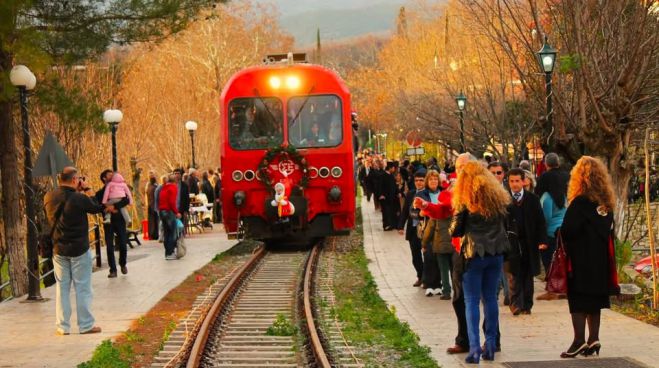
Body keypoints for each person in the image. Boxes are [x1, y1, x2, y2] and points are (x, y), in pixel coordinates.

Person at [449, 161, 510, 364]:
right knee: (491, 299)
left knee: (472, 301)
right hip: (496, 253)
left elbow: (455, 230)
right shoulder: (498, 199)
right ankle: (491, 344)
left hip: (473, 254)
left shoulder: (464, 200)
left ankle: (474, 348)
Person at [45, 167, 117, 335]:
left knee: (62, 288)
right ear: (75, 179)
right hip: (79, 248)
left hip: (58, 249)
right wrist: (88, 190)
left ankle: (62, 327)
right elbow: (96, 207)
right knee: (82, 287)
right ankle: (85, 325)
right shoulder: (79, 198)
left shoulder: (49, 196)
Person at [559, 156, 619, 358]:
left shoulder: (579, 203)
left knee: (578, 299)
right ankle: (594, 338)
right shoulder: (606, 204)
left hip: (580, 259)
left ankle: (578, 341)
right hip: (600, 259)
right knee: (595, 298)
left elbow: (568, 230)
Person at [505, 168, 548, 315]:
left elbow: (541, 221)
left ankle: (527, 305)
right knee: (513, 273)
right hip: (511, 243)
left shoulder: (532, 199)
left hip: (529, 241)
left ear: (523, 181)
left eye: (517, 181)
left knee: (528, 274)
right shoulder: (504, 199)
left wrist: (542, 240)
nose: (515, 184)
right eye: (512, 181)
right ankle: (515, 304)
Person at [416, 172, 456, 300]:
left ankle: (446, 292)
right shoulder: (456, 212)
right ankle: (457, 289)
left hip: (439, 244)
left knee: (443, 270)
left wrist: (423, 243)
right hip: (453, 244)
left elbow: (429, 229)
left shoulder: (437, 212)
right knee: (454, 269)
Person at [94, 170, 130, 278]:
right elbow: (98, 206)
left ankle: (122, 263)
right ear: (104, 178)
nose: (112, 175)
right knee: (110, 246)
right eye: (109, 174)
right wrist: (106, 209)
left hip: (120, 219)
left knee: (123, 244)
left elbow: (126, 200)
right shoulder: (100, 193)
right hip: (108, 221)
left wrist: (114, 207)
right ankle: (112, 270)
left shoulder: (120, 187)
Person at [415, 170, 443, 297]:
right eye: (431, 179)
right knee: (428, 255)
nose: (433, 182)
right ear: (427, 181)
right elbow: (412, 212)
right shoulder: (421, 194)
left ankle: (438, 284)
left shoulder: (444, 193)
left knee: (439, 257)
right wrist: (420, 214)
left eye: (435, 179)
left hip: (442, 229)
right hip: (427, 228)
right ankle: (429, 284)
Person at [398, 169, 426, 287]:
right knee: (415, 256)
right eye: (416, 180)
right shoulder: (411, 194)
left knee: (428, 256)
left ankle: (428, 279)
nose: (418, 183)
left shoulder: (428, 194)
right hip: (412, 229)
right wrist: (400, 226)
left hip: (425, 230)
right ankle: (420, 276)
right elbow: (405, 211)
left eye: (421, 180)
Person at [488, 161, 511, 306]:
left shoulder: (509, 190)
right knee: (494, 269)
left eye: (499, 172)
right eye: (493, 173)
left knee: (506, 268)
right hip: (489, 236)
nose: (496, 176)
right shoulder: (483, 191)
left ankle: (510, 296)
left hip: (506, 234)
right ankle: (493, 295)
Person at [158, 173, 181, 260]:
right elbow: (172, 202)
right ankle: (171, 252)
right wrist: (176, 212)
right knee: (172, 233)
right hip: (168, 211)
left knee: (166, 233)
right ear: (175, 180)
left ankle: (167, 253)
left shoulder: (164, 187)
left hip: (162, 211)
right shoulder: (173, 187)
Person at [378, 161, 398, 230]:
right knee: (386, 212)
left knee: (391, 211)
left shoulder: (391, 175)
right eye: (393, 168)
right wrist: (381, 195)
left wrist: (397, 193)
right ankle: (386, 225)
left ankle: (392, 225)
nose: (394, 169)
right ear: (390, 168)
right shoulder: (382, 175)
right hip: (385, 198)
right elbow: (379, 186)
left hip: (392, 198)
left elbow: (394, 186)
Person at [145, 171, 159, 240]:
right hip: (151, 205)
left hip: (153, 204)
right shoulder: (150, 185)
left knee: (154, 220)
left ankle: (154, 234)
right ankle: (152, 234)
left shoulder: (154, 185)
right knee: (152, 220)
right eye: (151, 176)